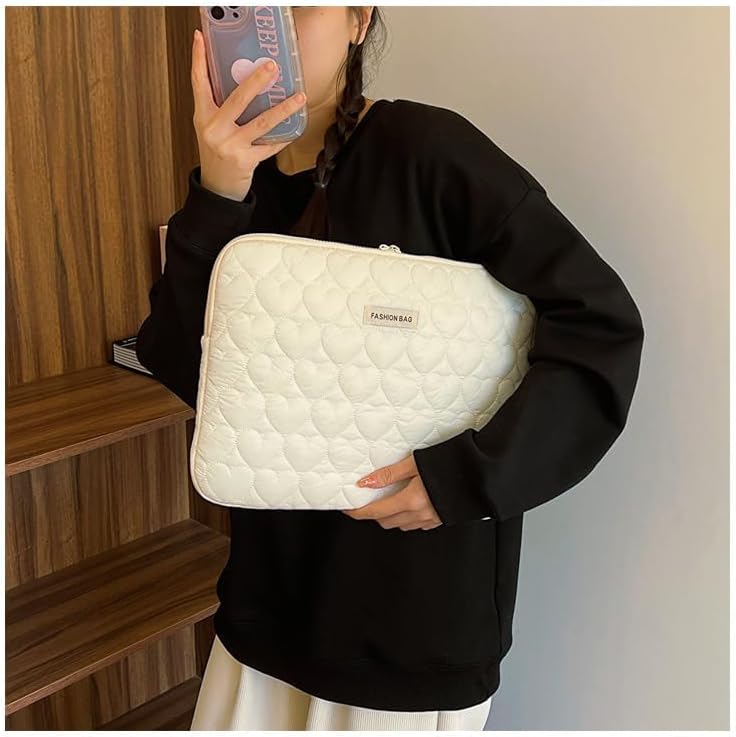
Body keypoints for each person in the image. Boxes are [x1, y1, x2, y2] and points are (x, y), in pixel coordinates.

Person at [135, 7, 645, 731]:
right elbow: (184, 366)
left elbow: (600, 326)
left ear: (358, 18)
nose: (272, 26)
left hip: (411, 637)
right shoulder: (239, 185)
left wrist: (464, 478)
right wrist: (217, 196)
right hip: (264, 618)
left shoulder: (427, 152)